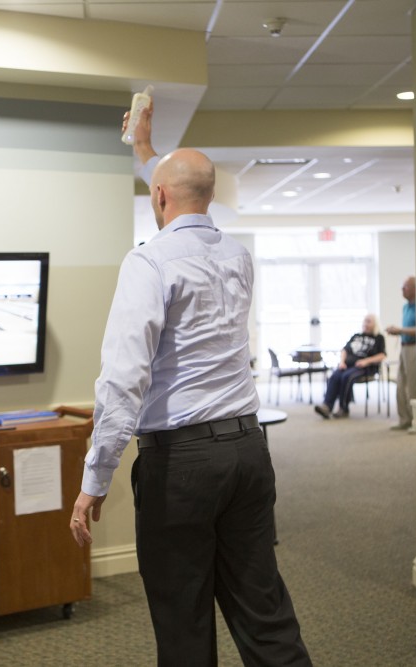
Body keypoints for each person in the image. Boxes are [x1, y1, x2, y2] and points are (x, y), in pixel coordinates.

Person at [69, 103, 311, 667]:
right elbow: (183, 188)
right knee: (264, 610)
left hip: (181, 466)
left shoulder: (148, 263)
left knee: (183, 624)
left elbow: (124, 380)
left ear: (158, 198)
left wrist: (95, 478)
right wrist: (146, 152)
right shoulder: (237, 256)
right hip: (248, 453)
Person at [315, 313, 386, 419]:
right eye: (365, 321)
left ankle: (343, 408)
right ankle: (327, 406)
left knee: (346, 377)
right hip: (347, 365)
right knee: (334, 376)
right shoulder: (356, 336)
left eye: (369, 321)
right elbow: (345, 350)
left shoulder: (379, 338)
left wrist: (366, 361)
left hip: (365, 367)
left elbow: (382, 355)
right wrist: (342, 362)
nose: (366, 324)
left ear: (375, 324)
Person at [385, 276, 416, 433]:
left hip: (414, 348)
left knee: (413, 386)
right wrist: (397, 332)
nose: (402, 290)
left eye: (405, 287)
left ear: (415, 289)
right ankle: (404, 419)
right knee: (400, 384)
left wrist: (400, 330)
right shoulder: (405, 307)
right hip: (403, 348)